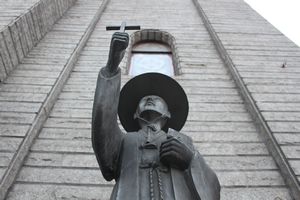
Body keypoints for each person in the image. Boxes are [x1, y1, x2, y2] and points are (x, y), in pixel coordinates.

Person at [92, 32, 220, 200]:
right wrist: (111, 68)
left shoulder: (183, 141)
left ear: (168, 114)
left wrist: (190, 160)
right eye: (144, 99)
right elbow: (103, 127)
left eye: (157, 99)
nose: (150, 98)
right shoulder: (124, 141)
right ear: (135, 114)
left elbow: (214, 191)